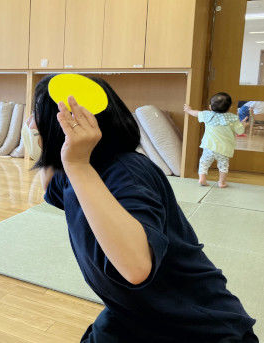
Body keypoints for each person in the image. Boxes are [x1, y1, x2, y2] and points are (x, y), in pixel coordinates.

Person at [35, 75, 257, 343]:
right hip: (133, 310)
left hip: (196, 323)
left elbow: (136, 267)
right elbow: (50, 188)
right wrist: (52, 147)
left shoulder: (126, 171)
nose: (32, 123)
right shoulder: (72, 172)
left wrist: (77, 163)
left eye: (36, 115)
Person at [184, 93, 246, 188]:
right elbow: (240, 131)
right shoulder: (233, 118)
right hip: (224, 149)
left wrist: (189, 110)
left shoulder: (207, 115)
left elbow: (196, 113)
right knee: (223, 166)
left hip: (209, 146)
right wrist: (243, 124)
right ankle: (221, 182)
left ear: (210, 107)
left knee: (204, 162)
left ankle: (202, 178)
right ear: (230, 107)